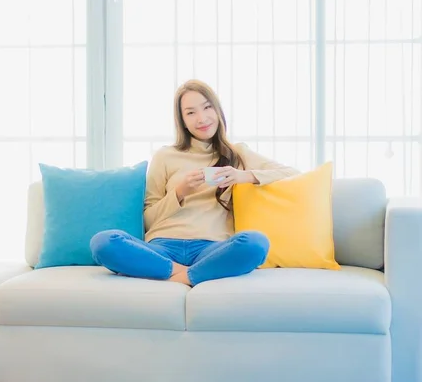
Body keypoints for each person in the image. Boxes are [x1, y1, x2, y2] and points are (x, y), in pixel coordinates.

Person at [90, 79, 300, 287]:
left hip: (211, 249)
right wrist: (179, 192)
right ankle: (190, 274)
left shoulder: (237, 154)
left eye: (207, 107)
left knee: (256, 243)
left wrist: (243, 176)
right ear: (182, 120)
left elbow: (291, 173)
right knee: (103, 242)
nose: (202, 118)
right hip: (163, 247)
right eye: (190, 112)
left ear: (217, 110)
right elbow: (148, 220)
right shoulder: (165, 156)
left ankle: (173, 275)